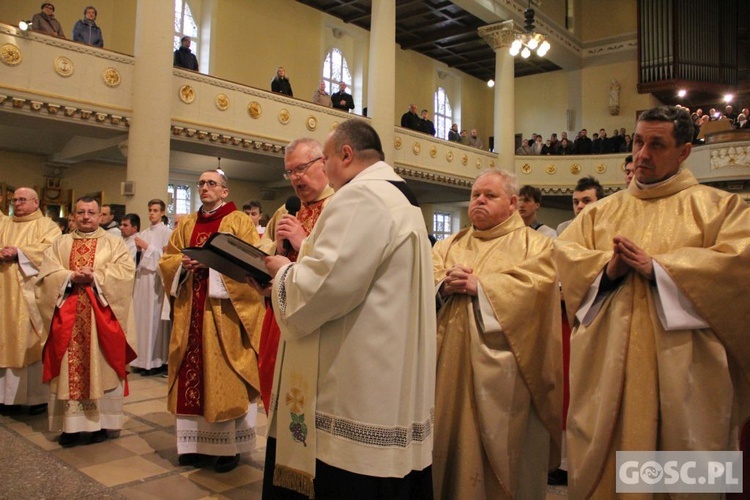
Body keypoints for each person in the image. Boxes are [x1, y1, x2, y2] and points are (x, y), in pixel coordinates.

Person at [554, 105, 750, 498]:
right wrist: (608, 271)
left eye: (657, 145)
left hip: (688, 375)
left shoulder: (721, 208)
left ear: (684, 151)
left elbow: (738, 268)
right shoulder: (599, 214)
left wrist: (659, 269)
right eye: (638, 141)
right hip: (608, 372)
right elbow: (567, 260)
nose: (642, 154)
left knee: (682, 466)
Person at [261, 119, 435, 498]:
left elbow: (323, 287)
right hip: (387, 369)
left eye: (324, 158)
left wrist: (282, 273)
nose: (323, 168)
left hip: (356, 386)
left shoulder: (361, 197)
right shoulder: (399, 195)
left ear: (346, 154)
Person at [432, 170, 562, 499]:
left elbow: (539, 293)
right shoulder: (450, 244)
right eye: (476, 194)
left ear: (513, 203)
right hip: (444, 371)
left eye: (490, 196)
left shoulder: (537, 246)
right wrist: (442, 286)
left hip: (504, 381)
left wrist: (484, 287)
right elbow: (422, 282)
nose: (479, 201)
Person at [159, 170, 264, 473]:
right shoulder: (187, 224)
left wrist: (211, 265)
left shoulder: (239, 222)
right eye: (201, 184)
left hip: (224, 315)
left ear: (225, 192)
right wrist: (182, 263)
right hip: (191, 309)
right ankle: (193, 446)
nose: (205, 188)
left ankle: (228, 448)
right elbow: (168, 259)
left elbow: (251, 264)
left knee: (224, 377)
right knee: (190, 371)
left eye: (211, 184)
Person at [37, 196, 136, 448]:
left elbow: (125, 273)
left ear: (99, 215)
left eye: (91, 212)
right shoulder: (60, 243)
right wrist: (70, 276)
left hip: (99, 319)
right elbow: (46, 274)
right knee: (68, 367)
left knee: (100, 367)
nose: (85, 217)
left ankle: (98, 425)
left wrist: (96, 277)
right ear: (74, 214)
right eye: (81, 212)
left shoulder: (113, 243)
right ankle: (70, 427)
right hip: (68, 318)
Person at [256, 138, 334, 413]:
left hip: (315, 317)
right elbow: (264, 246)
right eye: (290, 172)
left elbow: (338, 265)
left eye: (301, 169)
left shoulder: (339, 206)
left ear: (322, 163)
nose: (295, 178)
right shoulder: (286, 210)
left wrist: (304, 243)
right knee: (273, 375)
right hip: (279, 310)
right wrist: (275, 248)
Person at [0, 188, 61, 415]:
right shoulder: (4, 223)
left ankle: (34, 398)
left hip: (30, 297)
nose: (18, 203)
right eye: (14, 200)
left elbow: (52, 252)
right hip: (4, 294)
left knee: (30, 342)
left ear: (36, 202)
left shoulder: (47, 226)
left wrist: (20, 252)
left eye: (22, 200)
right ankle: (4, 397)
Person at [130, 200, 172, 376]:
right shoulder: (144, 233)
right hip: (141, 282)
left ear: (162, 212)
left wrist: (147, 248)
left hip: (156, 284)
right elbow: (134, 257)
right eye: (150, 210)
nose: (152, 213)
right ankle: (141, 360)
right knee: (140, 321)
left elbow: (167, 257)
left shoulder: (167, 233)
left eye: (155, 210)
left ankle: (155, 361)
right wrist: (139, 251)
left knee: (153, 322)